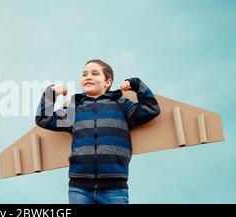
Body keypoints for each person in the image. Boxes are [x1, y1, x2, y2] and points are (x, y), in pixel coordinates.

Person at [35, 59, 161, 204]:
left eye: (95, 73)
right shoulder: (74, 110)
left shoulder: (121, 105)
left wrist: (136, 84)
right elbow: (43, 118)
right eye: (84, 74)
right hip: (79, 188)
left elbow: (150, 109)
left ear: (107, 82)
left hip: (115, 188)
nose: (88, 77)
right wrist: (51, 93)